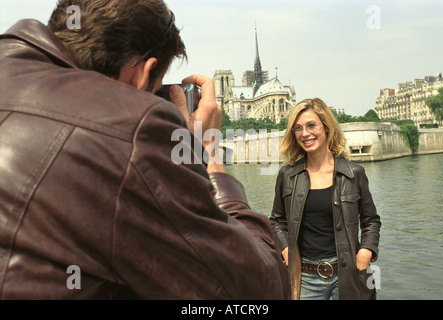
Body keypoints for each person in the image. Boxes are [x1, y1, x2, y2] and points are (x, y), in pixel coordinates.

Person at [0, 0, 288, 299]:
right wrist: (208, 154)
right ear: (143, 71)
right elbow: (257, 292)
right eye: (158, 88)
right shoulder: (135, 128)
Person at [269, 98, 381, 300]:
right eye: (298, 128)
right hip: (305, 277)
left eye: (312, 125)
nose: (305, 133)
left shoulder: (354, 173)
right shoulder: (287, 175)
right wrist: (286, 249)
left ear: (327, 128)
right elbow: (277, 220)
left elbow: (371, 220)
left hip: (349, 273)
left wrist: (366, 251)